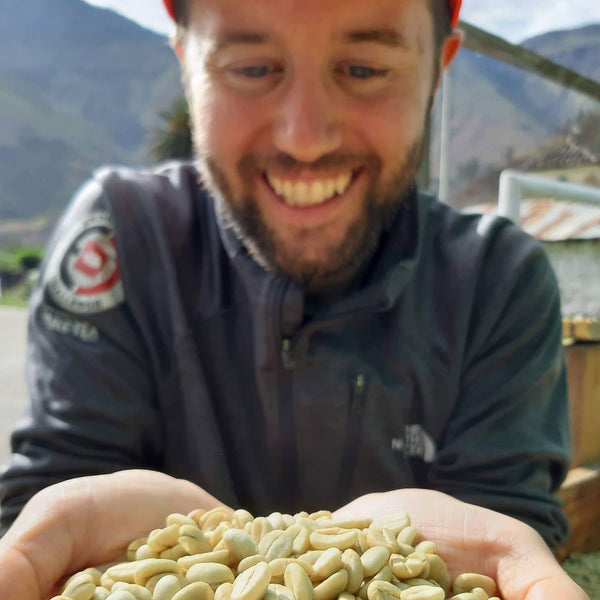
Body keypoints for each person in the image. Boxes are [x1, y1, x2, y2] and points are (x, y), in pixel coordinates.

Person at [0, 0, 584, 597]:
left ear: (438, 66)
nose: (304, 138)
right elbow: (61, 505)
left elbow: (491, 547)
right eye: (252, 67)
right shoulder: (120, 237)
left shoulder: (498, 280)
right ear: (187, 64)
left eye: (364, 69)